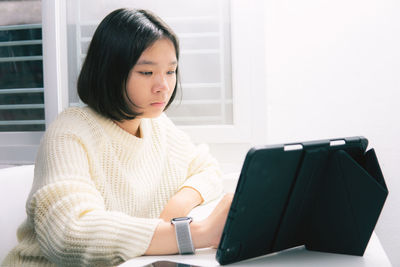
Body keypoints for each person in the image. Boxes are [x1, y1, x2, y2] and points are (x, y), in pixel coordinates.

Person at [2, 8, 233, 266]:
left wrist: (176, 208)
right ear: (111, 72)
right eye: (147, 72)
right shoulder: (69, 132)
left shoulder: (157, 126)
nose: (164, 86)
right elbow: (70, 233)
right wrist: (195, 234)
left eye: (170, 71)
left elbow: (207, 169)